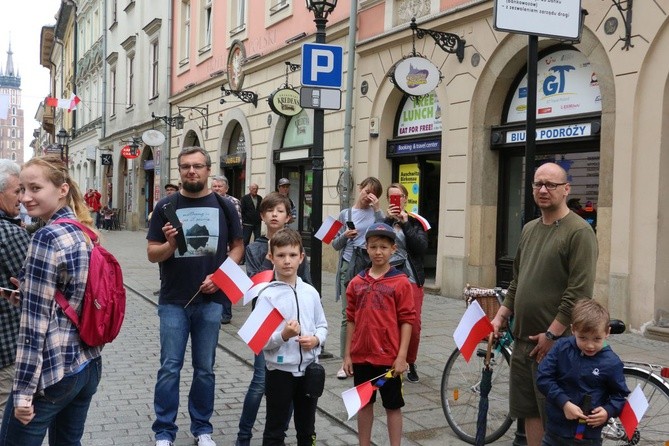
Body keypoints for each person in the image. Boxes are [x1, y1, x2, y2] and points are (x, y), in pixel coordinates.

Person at [491, 162, 598, 446]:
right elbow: (517, 280)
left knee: (555, 416)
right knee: (529, 412)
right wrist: (501, 315)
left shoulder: (579, 232)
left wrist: (552, 334)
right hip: (525, 339)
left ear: (566, 189)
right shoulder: (529, 229)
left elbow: (578, 292)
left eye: (550, 184)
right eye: (538, 183)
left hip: (556, 345)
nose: (543, 189)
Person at [0, 155, 102, 445]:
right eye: (21, 189)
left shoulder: (46, 237)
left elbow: (34, 327)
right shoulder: (83, 229)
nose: (25, 198)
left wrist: (22, 394)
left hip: (52, 372)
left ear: (62, 189)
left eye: (35, 188)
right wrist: (27, 294)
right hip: (87, 362)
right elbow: (73, 296)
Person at [147, 146, 243, 446]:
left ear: (207, 169)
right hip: (174, 301)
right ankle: (164, 431)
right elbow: (152, 254)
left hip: (212, 302)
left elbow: (238, 247)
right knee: (169, 368)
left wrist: (220, 277)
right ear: (179, 170)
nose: (192, 171)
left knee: (205, 369)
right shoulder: (165, 207)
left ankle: (202, 428)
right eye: (186, 166)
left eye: (198, 166)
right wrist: (171, 245)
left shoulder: (225, 206)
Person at [235, 192, 311, 446]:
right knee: (259, 382)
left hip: (294, 323)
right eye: (270, 210)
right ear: (262, 216)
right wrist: (273, 261)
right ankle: (243, 436)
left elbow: (307, 284)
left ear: (288, 216)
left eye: (280, 210)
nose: (274, 214)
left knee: (290, 386)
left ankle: (279, 434)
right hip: (267, 323)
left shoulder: (296, 247)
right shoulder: (256, 248)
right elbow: (258, 285)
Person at [341, 223, 415, 446]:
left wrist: (402, 356)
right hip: (362, 356)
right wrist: (348, 355)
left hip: (389, 359)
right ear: (366, 248)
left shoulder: (400, 283)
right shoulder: (356, 283)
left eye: (383, 247)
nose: (378, 252)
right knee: (364, 404)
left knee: (393, 406)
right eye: (373, 247)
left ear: (393, 249)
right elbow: (350, 319)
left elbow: (408, 320)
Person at [258, 228, 327, 446]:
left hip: (308, 369)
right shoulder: (267, 295)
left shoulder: (311, 292)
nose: (287, 261)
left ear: (301, 257)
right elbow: (260, 341)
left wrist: (316, 340)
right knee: (275, 429)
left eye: (292, 255)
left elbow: (322, 326)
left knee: (307, 430)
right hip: (279, 372)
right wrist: (283, 335)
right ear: (271, 257)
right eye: (281, 255)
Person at [537, 299, 629, 445]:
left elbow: (619, 395)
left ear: (607, 332)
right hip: (556, 431)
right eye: (583, 338)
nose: (590, 345)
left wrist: (607, 411)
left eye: (597, 339)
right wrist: (564, 403)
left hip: (588, 436)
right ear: (573, 330)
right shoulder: (561, 348)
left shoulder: (611, 362)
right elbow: (543, 378)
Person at [332, 176, 383, 379]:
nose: (367, 196)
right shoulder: (346, 214)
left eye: (373, 194)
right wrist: (346, 236)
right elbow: (334, 244)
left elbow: (385, 232)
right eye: (366, 190)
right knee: (348, 315)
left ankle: (366, 356)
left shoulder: (376, 214)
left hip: (370, 267)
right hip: (348, 266)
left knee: (369, 315)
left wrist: (378, 209)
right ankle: (345, 361)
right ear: (360, 188)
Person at [383, 183, 428, 383]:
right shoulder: (383, 222)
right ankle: (390, 360)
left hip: (411, 280)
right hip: (388, 278)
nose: (396, 200)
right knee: (389, 323)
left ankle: (410, 360)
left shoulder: (416, 222)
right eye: (392, 197)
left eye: (399, 197)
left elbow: (421, 248)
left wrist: (406, 223)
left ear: (406, 199)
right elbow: (375, 247)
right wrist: (387, 221)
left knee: (413, 325)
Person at [0, 160, 31, 421]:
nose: (22, 198)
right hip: (7, 347)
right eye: (17, 191)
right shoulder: (10, 233)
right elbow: (33, 286)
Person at [211, 175, 242, 322]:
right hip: (214, 249)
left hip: (229, 249)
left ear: (226, 188)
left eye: (219, 186)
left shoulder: (233, 202)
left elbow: (237, 226)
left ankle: (226, 313)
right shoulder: (209, 201)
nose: (217, 188)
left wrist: (233, 249)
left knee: (226, 281)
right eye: (215, 186)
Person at [240, 183, 262, 248]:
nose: (255, 190)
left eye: (256, 189)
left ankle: (255, 253)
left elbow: (261, 209)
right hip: (247, 223)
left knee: (258, 239)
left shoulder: (260, 198)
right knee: (245, 240)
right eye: (253, 189)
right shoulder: (245, 198)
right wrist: (244, 219)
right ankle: (244, 255)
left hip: (257, 223)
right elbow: (242, 210)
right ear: (250, 189)